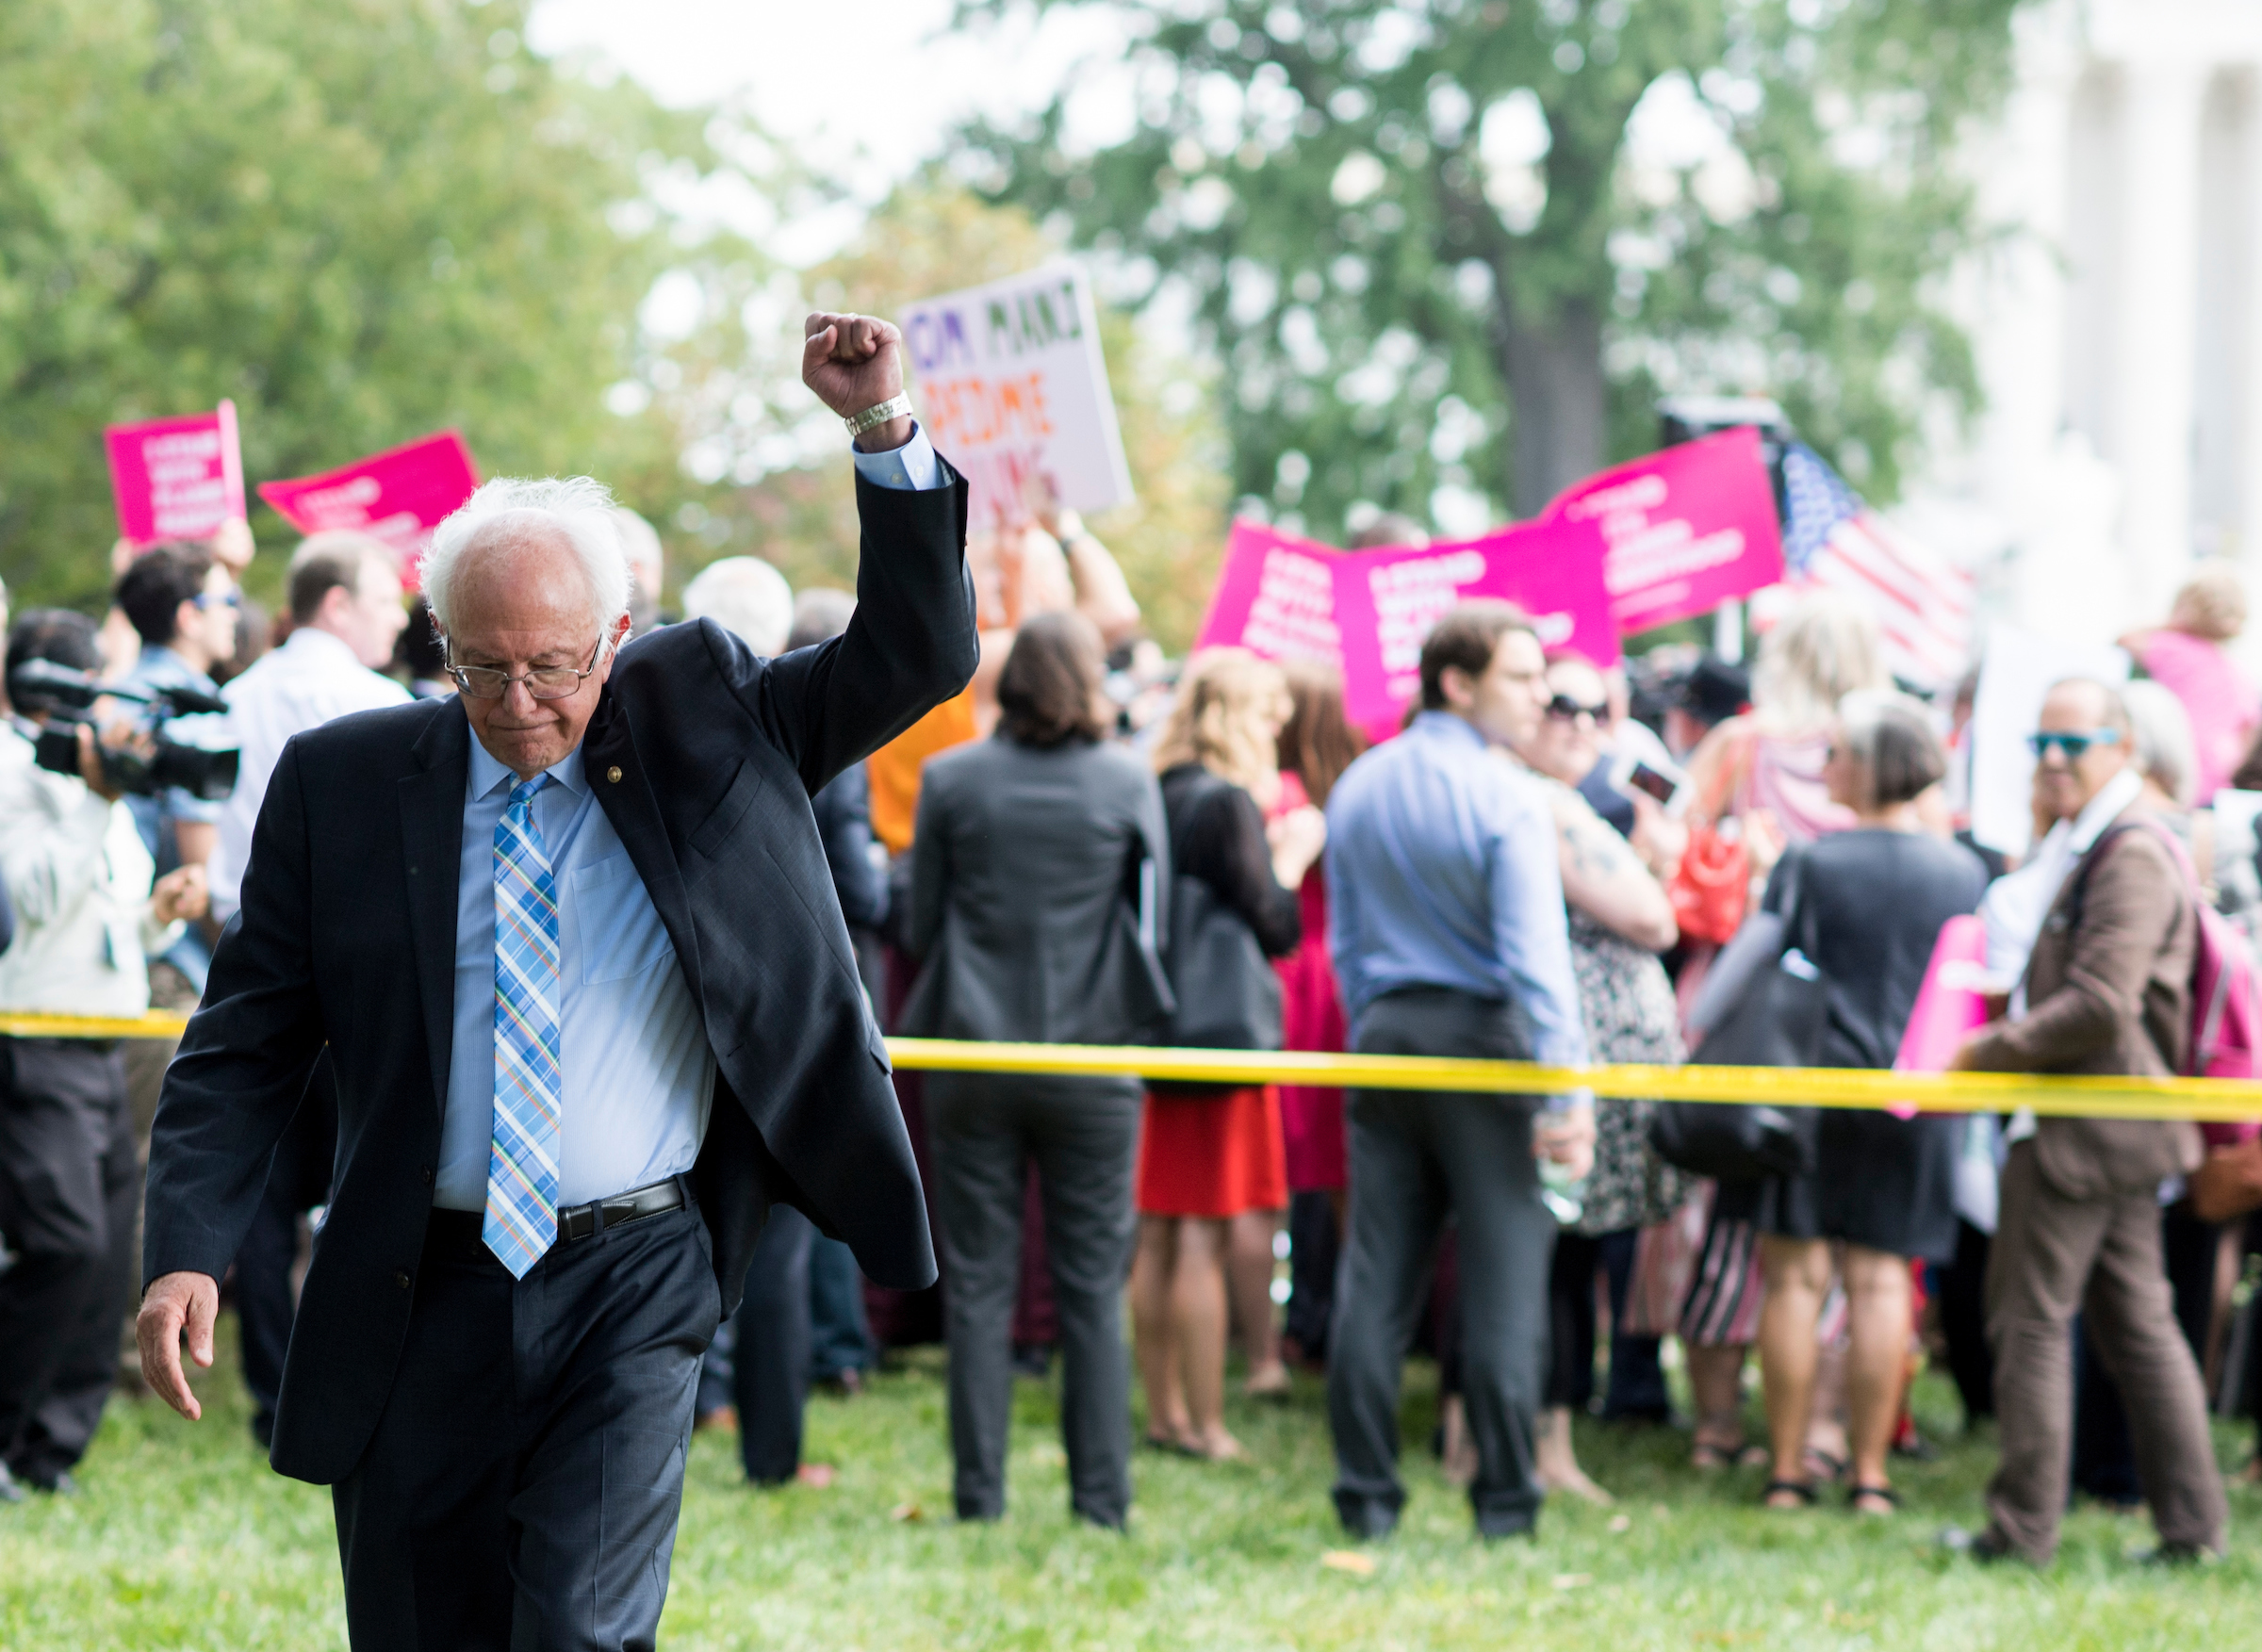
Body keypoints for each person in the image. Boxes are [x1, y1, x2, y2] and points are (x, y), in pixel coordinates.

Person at [136, 312, 977, 1647]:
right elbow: (242, 1038)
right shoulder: (345, 788)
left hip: (635, 1273)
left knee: (580, 1632)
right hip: (419, 1282)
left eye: (554, 666)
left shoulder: (712, 718)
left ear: (619, 634)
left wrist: (881, 430)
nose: (521, 700)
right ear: (435, 641)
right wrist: (186, 1246)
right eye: (482, 667)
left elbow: (918, 654)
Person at [1323, 601, 1596, 1540]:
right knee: (1506, 1283)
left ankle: (1365, 1499)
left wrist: (1376, 1030)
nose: (1541, 696)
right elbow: (1538, 960)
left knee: (1377, 1277)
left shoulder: (1358, 784)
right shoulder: (1507, 793)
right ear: (1458, 680)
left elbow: (1347, 947)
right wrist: (1569, 1091)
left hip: (1389, 1037)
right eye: (1522, 677)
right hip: (1486, 1044)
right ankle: (1507, 1505)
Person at [1950, 677, 2229, 1565]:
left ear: (2124, 745)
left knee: (2033, 1323)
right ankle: (2191, 1531)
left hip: (2084, 1128)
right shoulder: (2106, 838)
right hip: (2107, 1127)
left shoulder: (2135, 848)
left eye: (2074, 741)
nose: (2055, 760)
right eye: (2041, 744)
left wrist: (1987, 1049)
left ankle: (2023, 1529)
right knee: (2140, 1327)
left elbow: (2102, 1003)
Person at [902, 612, 1170, 1528]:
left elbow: (920, 918)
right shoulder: (1130, 780)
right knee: (1094, 1288)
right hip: (1096, 1060)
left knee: (977, 1283)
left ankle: (980, 1500)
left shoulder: (951, 776)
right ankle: (1103, 1502)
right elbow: (1153, 924)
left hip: (971, 1050)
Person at [1713, 694, 1987, 1514]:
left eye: (1835, 753)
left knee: (1794, 1281)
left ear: (1867, 767)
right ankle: (1871, 1474)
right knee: (1881, 1285)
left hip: (1810, 1091)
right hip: (1914, 1095)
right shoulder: (1964, 869)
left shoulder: (1811, 863)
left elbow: (1754, 963)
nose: (1824, 766)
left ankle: (1788, 1469)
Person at [204, 532, 414, 1447]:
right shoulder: (384, 707)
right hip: (359, 976)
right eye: (385, 600)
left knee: (261, 1185)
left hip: (237, 954)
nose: (400, 616)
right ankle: (349, 1374)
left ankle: (271, 1390)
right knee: (358, 1181)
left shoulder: (228, 700)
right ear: (337, 603)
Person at [1676, 594, 1888, 1472]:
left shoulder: (1741, 746)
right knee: (1844, 1237)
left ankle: (1717, 1422)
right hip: (1854, 1007)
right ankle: (1829, 1429)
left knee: (1725, 1216)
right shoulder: (1886, 754)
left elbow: (1675, 848)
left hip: (1744, 1001)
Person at [0, 611, 208, 1501]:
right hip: (32, 1037)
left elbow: (101, 912)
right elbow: (31, 898)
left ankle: (51, 1453)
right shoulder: (13, 769)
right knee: (65, 1243)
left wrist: (155, 913)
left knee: (106, 1263)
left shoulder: (107, 793)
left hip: (105, 1039)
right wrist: (92, 794)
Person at [1505, 649, 1690, 1502]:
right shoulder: (1542, 802)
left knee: (1563, 1252)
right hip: (1568, 1050)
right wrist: (1650, 861)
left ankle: (1518, 1434)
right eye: (1560, 706)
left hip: (1590, 1052)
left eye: (1595, 709)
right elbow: (1652, 920)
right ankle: (1542, 1444)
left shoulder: (1559, 796)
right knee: (1558, 1254)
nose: (1580, 723)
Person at [1131, 649, 1320, 1462]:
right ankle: (1205, 1424)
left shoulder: (1155, 787)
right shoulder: (1228, 802)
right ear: (1240, 716)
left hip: (1154, 1028)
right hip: (1220, 1035)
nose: (1279, 731)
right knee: (1203, 1234)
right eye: (1270, 716)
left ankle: (1163, 1412)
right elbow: (1276, 922)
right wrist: (1294, 854)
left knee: (1157, 1235)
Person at [1272, 661, 1366, 1374]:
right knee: (1343, 1170)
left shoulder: (1282, 795)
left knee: (1288, 1162)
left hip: (1292, 978)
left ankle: (1301, 1319)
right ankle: (1347, 1320)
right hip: (1343, 979)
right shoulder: (1362, 790)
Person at [2118, 560, 2258, 804]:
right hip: (2215, 785)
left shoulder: (2173, 648)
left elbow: (2125, 640)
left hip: (2175, 775)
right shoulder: (2238, 674)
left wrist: (2169, 623)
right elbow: (2248, 733)